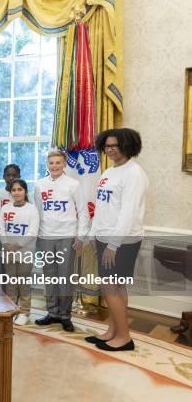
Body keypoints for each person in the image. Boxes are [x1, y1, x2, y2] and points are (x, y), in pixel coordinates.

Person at [85, 128, 148, 352]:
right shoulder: (108, 172)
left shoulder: (134, 173)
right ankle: (113, 331)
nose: (110, 149)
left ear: (128, 145)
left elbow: (128, 213)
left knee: (111, 286)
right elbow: (102, 207)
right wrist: (94, 234)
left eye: (115, 145)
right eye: (107, 145)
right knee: (115, 286)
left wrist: (113, 243)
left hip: (123, 240)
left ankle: (124, 337)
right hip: (104, 235)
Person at [33, 150, 89, 332]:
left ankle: (65, 315)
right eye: (51, 163)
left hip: (67, 236)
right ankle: (52, 313)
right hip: (45, 236)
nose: (55, 166)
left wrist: (80, 236)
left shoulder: (73, 184)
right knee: (49, 277)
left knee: (65, 278)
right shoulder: (39, 185)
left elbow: (83, 211)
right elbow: (37, 213)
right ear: (47, 165)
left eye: (58, 163)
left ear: (64, 164)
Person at [0, 179, 39, 326]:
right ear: (10, 192)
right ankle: (12, 310)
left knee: (23, 283)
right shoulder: (5, 208)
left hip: (25, 252)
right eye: (14, 190)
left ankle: (25, 312)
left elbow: (32, 232)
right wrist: (6, 245)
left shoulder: (32, 209)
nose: (17, 192)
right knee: (11, 283)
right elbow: (1, 228)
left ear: (25, 192)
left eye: (20, 190)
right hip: (8, 251)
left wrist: (17, 245)